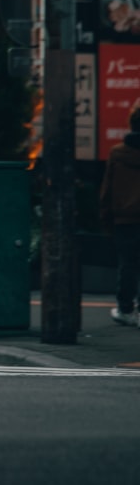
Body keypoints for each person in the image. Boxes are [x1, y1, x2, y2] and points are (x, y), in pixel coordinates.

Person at [99, 99, 140, 327]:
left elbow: (108, 190)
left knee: (128, 263)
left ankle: (126, 309)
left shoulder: (117, 153)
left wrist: (106, 217)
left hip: (125, 217)